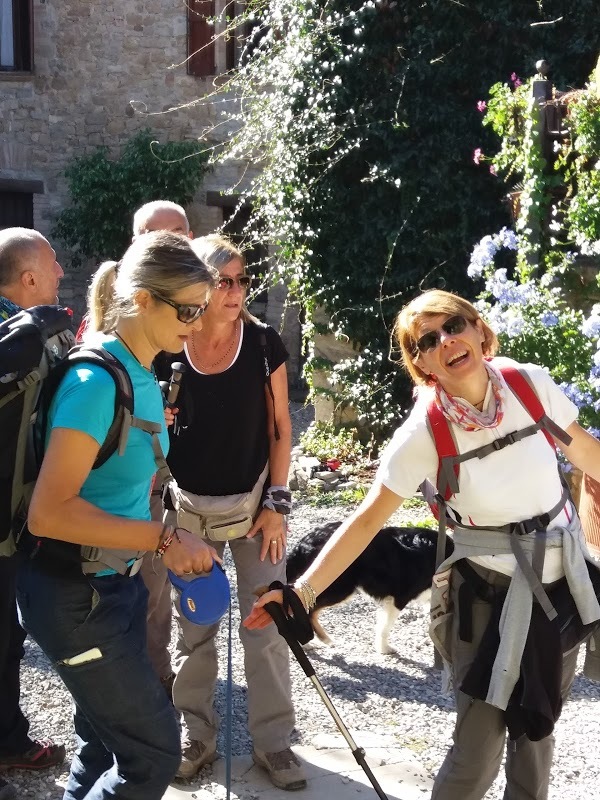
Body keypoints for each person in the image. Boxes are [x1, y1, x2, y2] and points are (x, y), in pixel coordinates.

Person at [245, 288, 600, 800]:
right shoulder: (425, 431)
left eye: (453, 325)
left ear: (478, 328)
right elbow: (367, 520)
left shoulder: (528, 384)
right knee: (476, 752)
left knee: (537, 733)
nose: (446, 341)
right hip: (486, 597)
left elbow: (585, 450)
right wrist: (301, 592)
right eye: (427, 340)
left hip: (557, 590)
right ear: (422, 364)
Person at [16, 231, 219, 800]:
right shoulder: (96, 382)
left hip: (114, 587)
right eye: (187, 310)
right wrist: (162, 539)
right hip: (77, 597)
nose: (198, 325)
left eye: (202, 309)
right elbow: (47, 514)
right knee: (153, 754)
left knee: (105, 745)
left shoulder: (139, 370)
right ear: (144, 300)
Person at [156, 234, 306, 790]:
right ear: (199, 283)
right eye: (225, 280)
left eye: (242, 280)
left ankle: (274, 744)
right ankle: (196, 737)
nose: (236, 291)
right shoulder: (173, 345)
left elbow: (283, 428)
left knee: (268, 623)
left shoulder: (265, 344)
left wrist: (278, 507)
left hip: (257, 504)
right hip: (189, 510)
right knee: (195, 628)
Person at [0, 228, 65, 800]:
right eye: (51, 267)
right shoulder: (21, 338)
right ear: (27, 280)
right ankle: (9, 745)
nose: (61, 275)